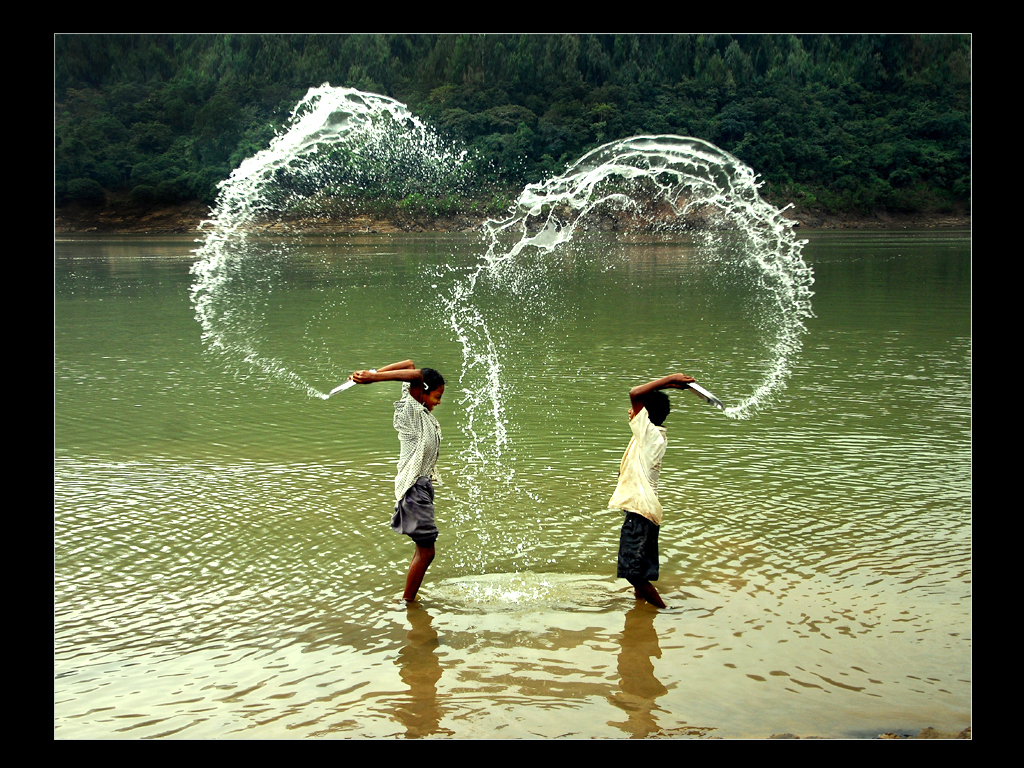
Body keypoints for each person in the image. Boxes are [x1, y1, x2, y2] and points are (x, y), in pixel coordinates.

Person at [349, 360, 446, 602]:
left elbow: (410, 365)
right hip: (414, 488)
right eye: (437, 395)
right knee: (427, 552)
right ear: (421, 390)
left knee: (424, 551)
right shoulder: (411, 411)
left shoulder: (420, 409)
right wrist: (374, 380)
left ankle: (408, 601)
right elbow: (415, 372)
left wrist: (373, 372)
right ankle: (408, 603)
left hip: (421, 487)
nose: (439, 401)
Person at [608, 373, 695, 609]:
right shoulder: (650, 435)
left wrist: (670, 379)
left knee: (633, 573)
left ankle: (664, 611)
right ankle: (641, 618)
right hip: (642, 510)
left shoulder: (649, 436)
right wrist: (670, 385)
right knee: (637, 571)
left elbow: (635, 392)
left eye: (637, 409)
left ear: (646, 414)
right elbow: (638, 398)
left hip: (642, 513)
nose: (631, 410)